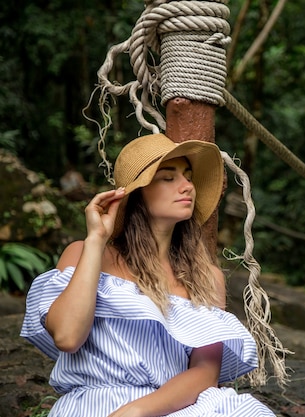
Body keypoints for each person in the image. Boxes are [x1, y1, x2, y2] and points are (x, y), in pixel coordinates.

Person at [21, 133, 276, 417]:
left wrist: (137, 411)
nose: (187, 186)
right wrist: (96, 239)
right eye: (168, 178)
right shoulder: (85, 253)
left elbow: (204, 374)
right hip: (96, 404)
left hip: (175, 407)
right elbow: (67, 337)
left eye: (188, 176)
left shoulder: (207, 277)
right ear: (135, 194)